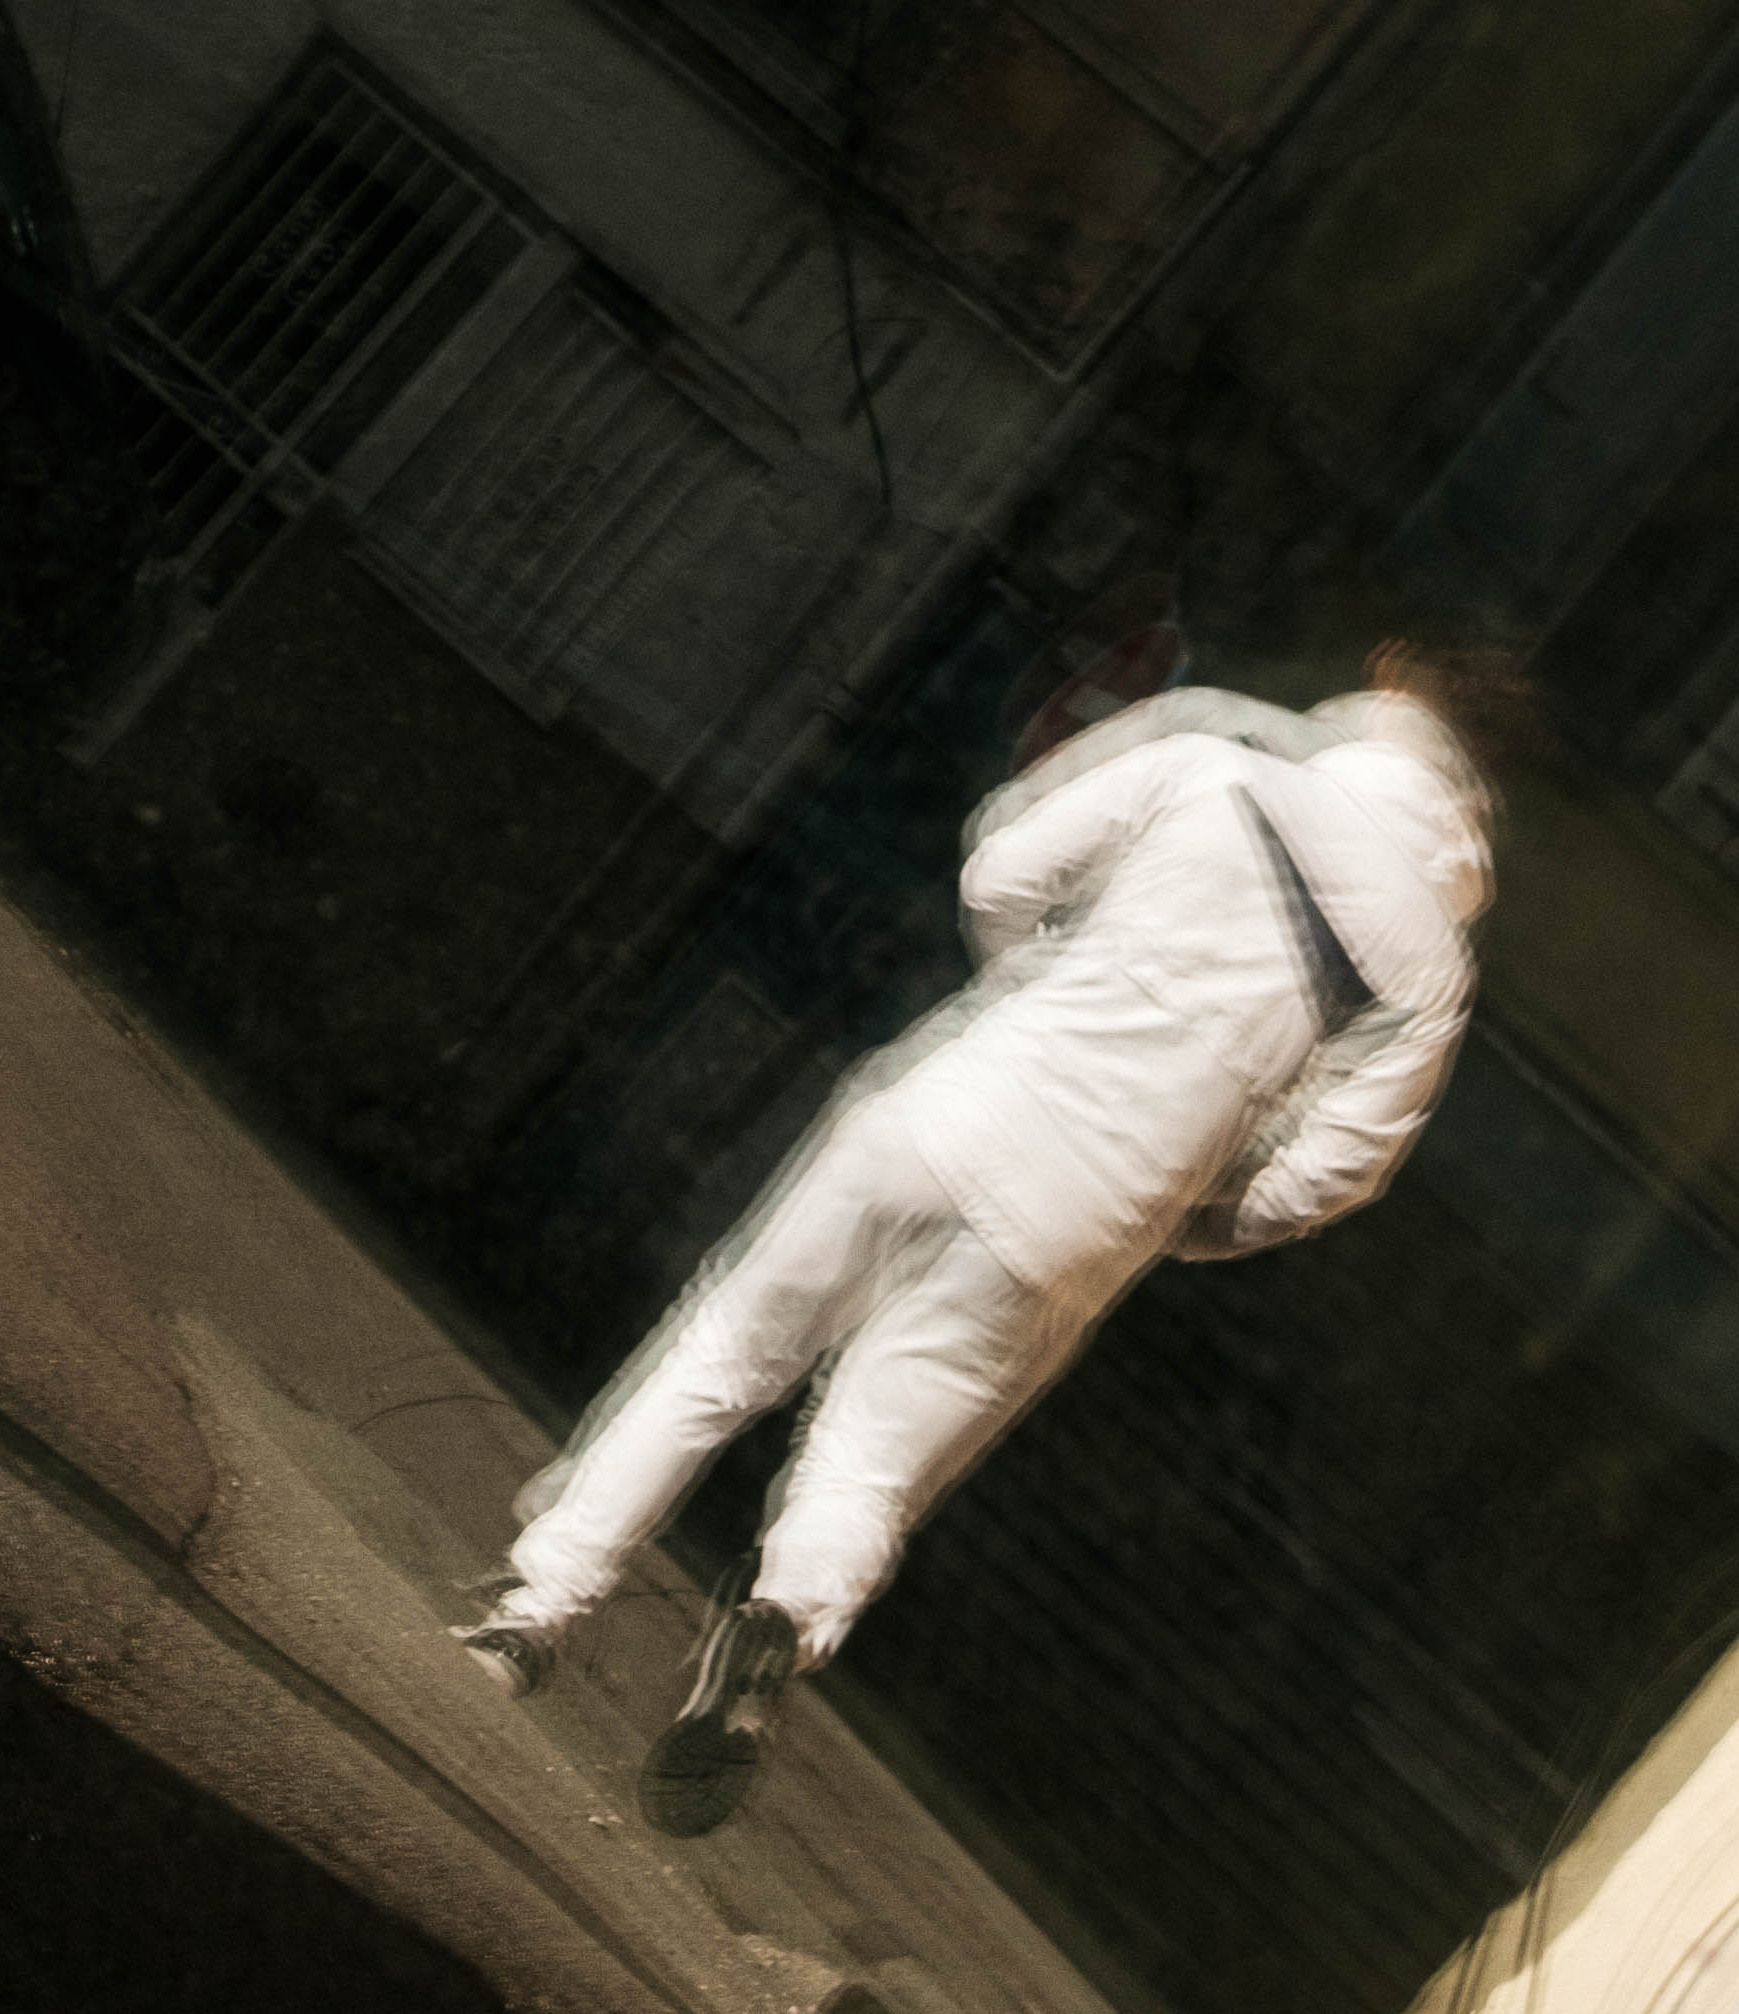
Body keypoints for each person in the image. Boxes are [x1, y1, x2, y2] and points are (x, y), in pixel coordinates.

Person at [457, 643, 1516, 1831]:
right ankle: (782, 1621)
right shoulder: (1429, 974)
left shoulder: (1217, 767)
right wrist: (1183, 1219)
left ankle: (530, 1617)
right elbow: (1328, 1176)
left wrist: (1031, 991)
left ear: (1378, 701)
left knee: (725, 1352)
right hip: (1085, 1225)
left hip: (950, 1109)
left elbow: (1001, 871)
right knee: (869, 1463)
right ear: (1473, 806)